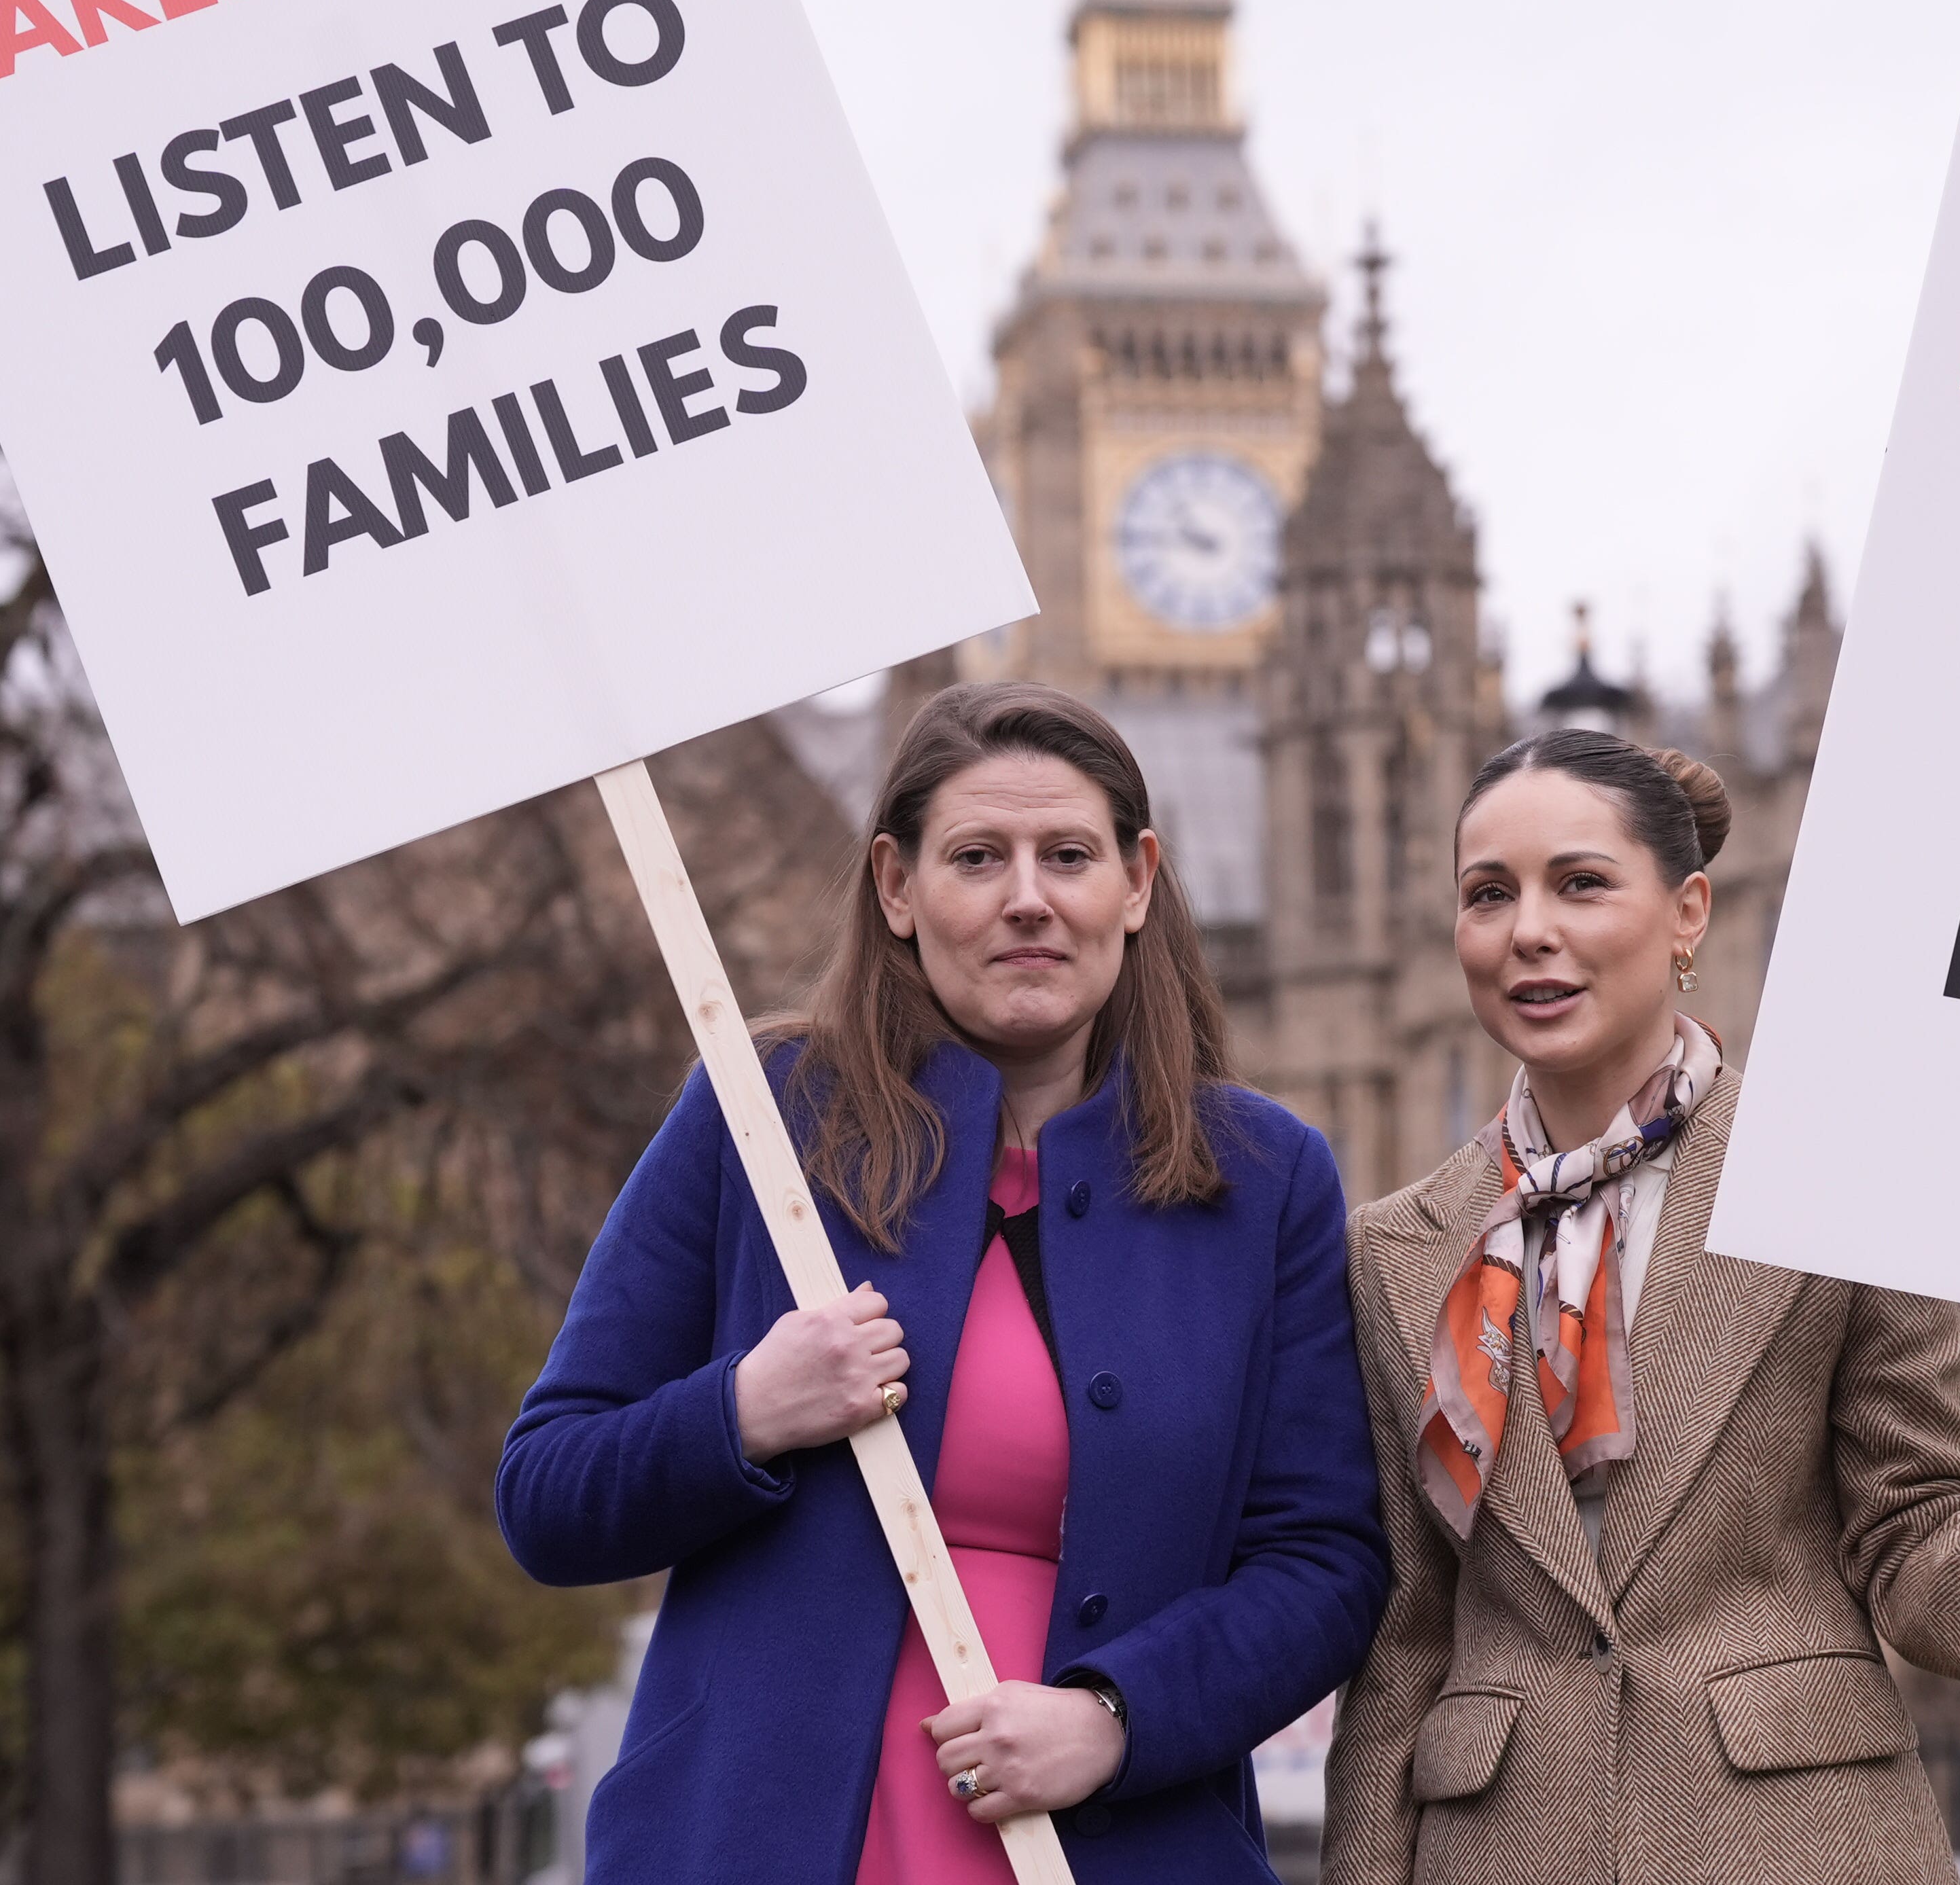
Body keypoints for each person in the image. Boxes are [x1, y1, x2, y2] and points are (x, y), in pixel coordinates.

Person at [497, 683, 1389, 1882]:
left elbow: (1321, 1562)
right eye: (976, 856)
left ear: (1135, 884)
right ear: (896, 886)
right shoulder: (761, 1113)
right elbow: (547, 1493)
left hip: (1112, 1844)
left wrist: (1115, 1721)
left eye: (1066, 855)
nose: (1027, 897)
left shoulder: (1263, 1176)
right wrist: (746, 1409)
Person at [1322, 728, 1960, 1884]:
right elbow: (1405, 1642)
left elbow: (1915, 1545)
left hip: (1795, 1843)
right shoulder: (1395, 1246)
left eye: (1580, 884)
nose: (1527, 930)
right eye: (1487, 894)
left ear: (1688, 911)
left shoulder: (1839, 1175)